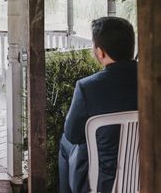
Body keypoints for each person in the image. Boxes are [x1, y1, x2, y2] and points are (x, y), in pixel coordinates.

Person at [58, 17, 138, 193]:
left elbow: (72, 134)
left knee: (65, 143)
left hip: (106, 183)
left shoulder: (87, 87)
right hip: (148, 171)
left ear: (100, 53)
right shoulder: (153, 82)